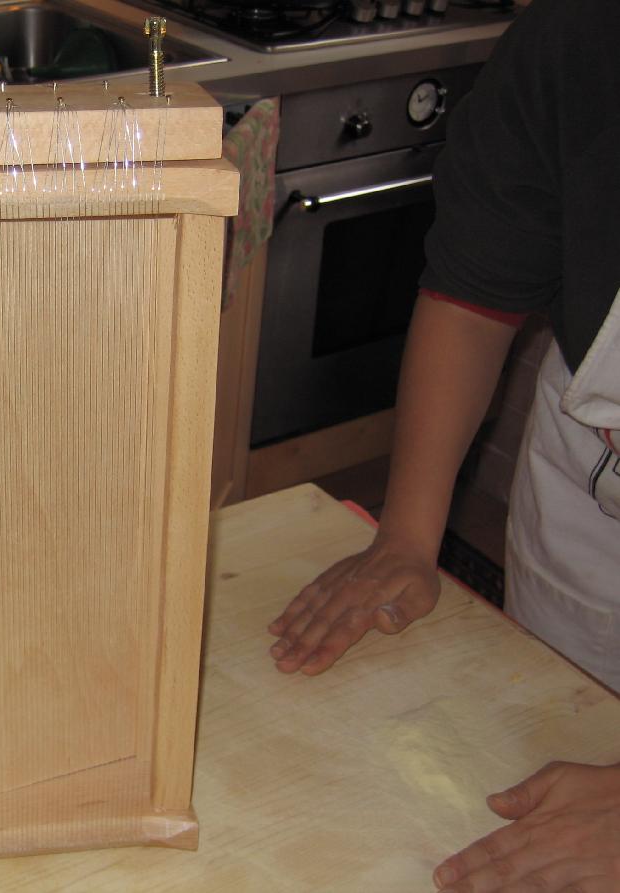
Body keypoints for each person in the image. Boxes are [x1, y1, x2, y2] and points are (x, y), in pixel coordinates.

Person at [264, 0, 620, 889]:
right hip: (593, 461)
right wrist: (406, 535)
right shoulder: (581, 31)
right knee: (542, 752)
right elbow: (475, 290)